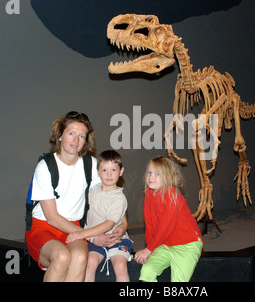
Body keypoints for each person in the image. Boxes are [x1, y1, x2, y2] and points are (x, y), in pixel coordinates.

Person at [25, 111, 127, 282]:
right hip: (43, 227)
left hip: (74, 226)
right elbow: (52, 218)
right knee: (62, 256)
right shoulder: (45, 166)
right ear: (59, 136)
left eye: (81, 136)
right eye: (71, 133)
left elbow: (110, 192)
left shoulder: (90, 164)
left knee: (80, 257)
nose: (76, 140)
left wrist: (122, 222)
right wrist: (91, 236)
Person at [66, 150, 133, 282]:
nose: (109, 174)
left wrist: (83, 234)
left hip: (116, 239)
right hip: (95, 240)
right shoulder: (92, 190)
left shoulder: (119, 198)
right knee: (89, 263)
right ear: (98, 172)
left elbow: (109, 224)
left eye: (113, 170)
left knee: (120, 265)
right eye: (104, 170)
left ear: (121, 171)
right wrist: (90, 236)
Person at [134, 156, 204, 282]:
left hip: (186, 244)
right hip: (165, 244)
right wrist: (150, 248)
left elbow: (166, 225)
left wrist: (149, 249)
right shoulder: (149, 193)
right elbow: (150, 224)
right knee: (147, 271)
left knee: (178, 280)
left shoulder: (172, 195)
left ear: (168, 177)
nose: (151, 177)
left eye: (157, 174)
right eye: (149, 173)